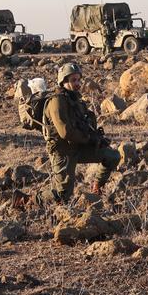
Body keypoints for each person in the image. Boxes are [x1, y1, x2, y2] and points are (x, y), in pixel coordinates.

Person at [16, 62, 120, 208]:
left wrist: (96, 138)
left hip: (79, 146)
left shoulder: (75, 99)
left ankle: (96, 189)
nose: (78, 83)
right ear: (64, 81)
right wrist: (88, 139)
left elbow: (84, 124)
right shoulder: (56, 101)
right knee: (62, 194)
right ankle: (25, 201)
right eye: (73, 80)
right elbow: (65, 132)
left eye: (79, 79)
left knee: (112, 156)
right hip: (62, 151)